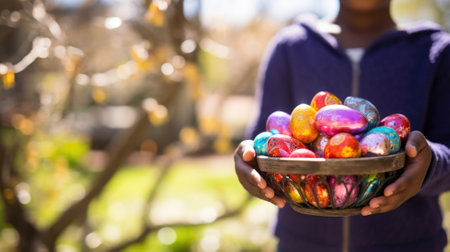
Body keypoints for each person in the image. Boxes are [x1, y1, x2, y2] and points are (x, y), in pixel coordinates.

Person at [234, 0, 450, 251]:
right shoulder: (291, 49)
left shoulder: (434, 51)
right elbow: (265, 139)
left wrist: (431, 163)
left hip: (409, 244)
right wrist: (250, 160)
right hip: (302, 245)